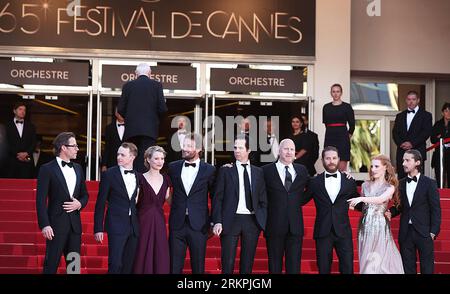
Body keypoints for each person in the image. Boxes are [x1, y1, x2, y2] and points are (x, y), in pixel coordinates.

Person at [212, 134, 267, 274]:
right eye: (235, 147)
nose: (237, 150)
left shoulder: (258, 172)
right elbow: (217, 198)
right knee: (228, 262)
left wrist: (261, 219)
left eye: (241, 148)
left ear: (248, 150)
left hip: (251, 220)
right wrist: (217, 221)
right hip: (231, 219)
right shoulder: (225, 170)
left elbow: (263, 199)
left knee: (247, 264)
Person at [36, 132, 89, 274]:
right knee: (51, 265)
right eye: (74, 146)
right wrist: (45, 224)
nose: (78, 149)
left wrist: (80, 204)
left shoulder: (78, 168)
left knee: (74, 268)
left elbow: (85, 195)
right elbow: (40, 200)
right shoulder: (47, 169)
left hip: (74, 226)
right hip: (55, 226)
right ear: (64, 148)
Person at [303, 146, 358, 274]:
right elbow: (301, 200)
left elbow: (358, 202)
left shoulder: (349, 181)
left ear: (339, 159)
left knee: (347, 269)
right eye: (328, 158)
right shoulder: (315, 182)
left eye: (334, 158)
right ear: (322, 160)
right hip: (323, 232)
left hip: (343, 232)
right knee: (323, 269)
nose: (331, 161)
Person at [347, 155, 404, 274]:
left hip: (379, 226)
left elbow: (380, 199)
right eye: (372, 166)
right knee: (366, 259)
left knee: (378, 260)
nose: (373, 169)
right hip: (364, 225)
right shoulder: (365, 185)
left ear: (385, 168)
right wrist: (349, 181)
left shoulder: (390, 187)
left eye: (377, 166)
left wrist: (361, 198)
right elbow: (363, 207)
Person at [168, 133, 216, 274]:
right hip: (177, 224)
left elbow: (215, 197)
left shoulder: (210, 170)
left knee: (198, 267)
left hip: (199, 225)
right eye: (184, 145)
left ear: (199, 148)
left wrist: (213, 222)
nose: (184, 148)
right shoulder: (173, 167)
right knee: (174, 267)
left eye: (189, 146)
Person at [387, 149, 441, 274]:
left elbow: (436, 209)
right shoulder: (400, 184)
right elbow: (399, 206)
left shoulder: (429, 183)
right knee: (407, 268)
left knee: (427, 268)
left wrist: (433, 232)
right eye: (403, 160)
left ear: (417, 162)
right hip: (406, 232)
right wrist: (390, 212)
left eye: (407, 160)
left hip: (424, 232)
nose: (403, 164)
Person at [262, 139, 310, 274]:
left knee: (294, 267)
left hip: (295, 227)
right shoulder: (266, 170)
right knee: (274, 266)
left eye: (291, 149)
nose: (289, 152)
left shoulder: (301, 170)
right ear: (279, 150)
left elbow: (313, 186)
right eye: (286, 149)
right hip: (274, 226)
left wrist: (343, 175)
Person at [94, 142, 140, 274]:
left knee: (129, 265)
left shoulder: (137, 176)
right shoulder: (109, 174)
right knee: (115, 263)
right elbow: (100, 203)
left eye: (123, 155)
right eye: (118, 154)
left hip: (133, 227)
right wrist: (98, 228)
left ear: (132, 157)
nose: (119, 157)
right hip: (116, 225)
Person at [118, 63, 168, 172]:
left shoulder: (128, 86)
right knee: (147, 159)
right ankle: (144, 185)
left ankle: (132, 183)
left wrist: (130, 118)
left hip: (131, 130)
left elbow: (120, 109)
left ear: (136, 74)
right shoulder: (156, 85)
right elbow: (163, 109)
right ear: (150, 74)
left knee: (131, 159)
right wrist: (153, 118)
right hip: (149, 130)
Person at [133, 146, 172, 274]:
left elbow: (168, 199)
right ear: (148, 160)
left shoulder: (166, 178)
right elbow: (134, 201)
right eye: (156, 158)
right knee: (142, 251)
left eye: (162, 158)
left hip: (159, 221)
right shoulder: (139, 177)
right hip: (143, 220)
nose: (160, 161)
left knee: (159, 252)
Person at [392, 90, 432, 179]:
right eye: (409, 99)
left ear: (418, 100)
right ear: (406, 100)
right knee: (402, 179)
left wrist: (412, 143)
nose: (411, 101)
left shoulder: (426, 115)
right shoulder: (400, 116)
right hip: (402, 152)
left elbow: (426, 132)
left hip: (417, 151)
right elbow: (395, 132)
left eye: (413, 99)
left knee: (416, 179)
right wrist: (401, 143)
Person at [322, 84, 355, 171]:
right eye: (333, 92)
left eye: (338, 91)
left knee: (342, 166)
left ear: (341, 93)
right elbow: (326, 123)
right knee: (329, 162)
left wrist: (347, 136)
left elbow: (352, 125)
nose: (336, 94)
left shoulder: (347, 107)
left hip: (342, 137)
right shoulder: (326, 107)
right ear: (331, 93)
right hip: (329, 136)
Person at [5, 101, 36, 178]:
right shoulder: (7, 126)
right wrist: (17, 154)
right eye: (20, 109)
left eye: (24, 110)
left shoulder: (31, 126)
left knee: (26, 185)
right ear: (14, 111)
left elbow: (34, 142)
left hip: (27, 162)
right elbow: (6, 143)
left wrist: (26, 153)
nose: (23, 112)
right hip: (11, 161)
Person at [430, 102, 450, 188]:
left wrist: (441, 137)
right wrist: (440, 138)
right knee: (439, 177)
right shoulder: (438, 124)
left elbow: (440, 137)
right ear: (442, 112)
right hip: (439, 155)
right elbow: (433, 139)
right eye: (446, 111)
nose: (448, 113)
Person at [101, 108, 125, 172]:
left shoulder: (131, 127)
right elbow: (107, 147)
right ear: (116, 113)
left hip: (127, 162)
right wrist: (104, 164)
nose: (122, 114)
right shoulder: (109, 128)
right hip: (112, 162)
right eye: (120, 112)